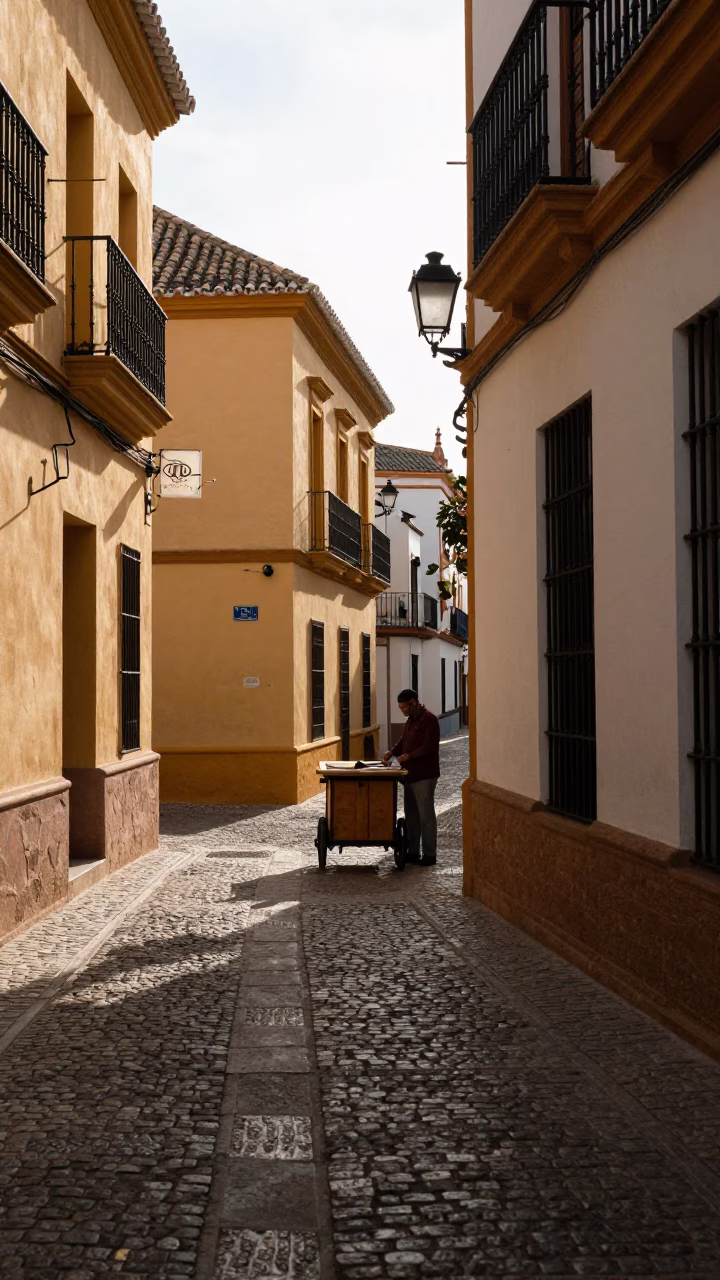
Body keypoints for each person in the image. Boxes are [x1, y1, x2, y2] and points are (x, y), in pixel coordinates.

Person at [383, 689, 440, 866]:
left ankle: (429, 854)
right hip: (409, 775)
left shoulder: (430, 720)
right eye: (401, 709)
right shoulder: (411, 721)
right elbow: (404, 741)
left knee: (426, 815)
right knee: (412, 815)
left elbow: (428, 746)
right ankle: (413, 851)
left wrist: (407, 756)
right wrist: (392, 751)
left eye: (405, 708)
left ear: (414, 702)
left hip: (424, 775)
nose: (403, 712)